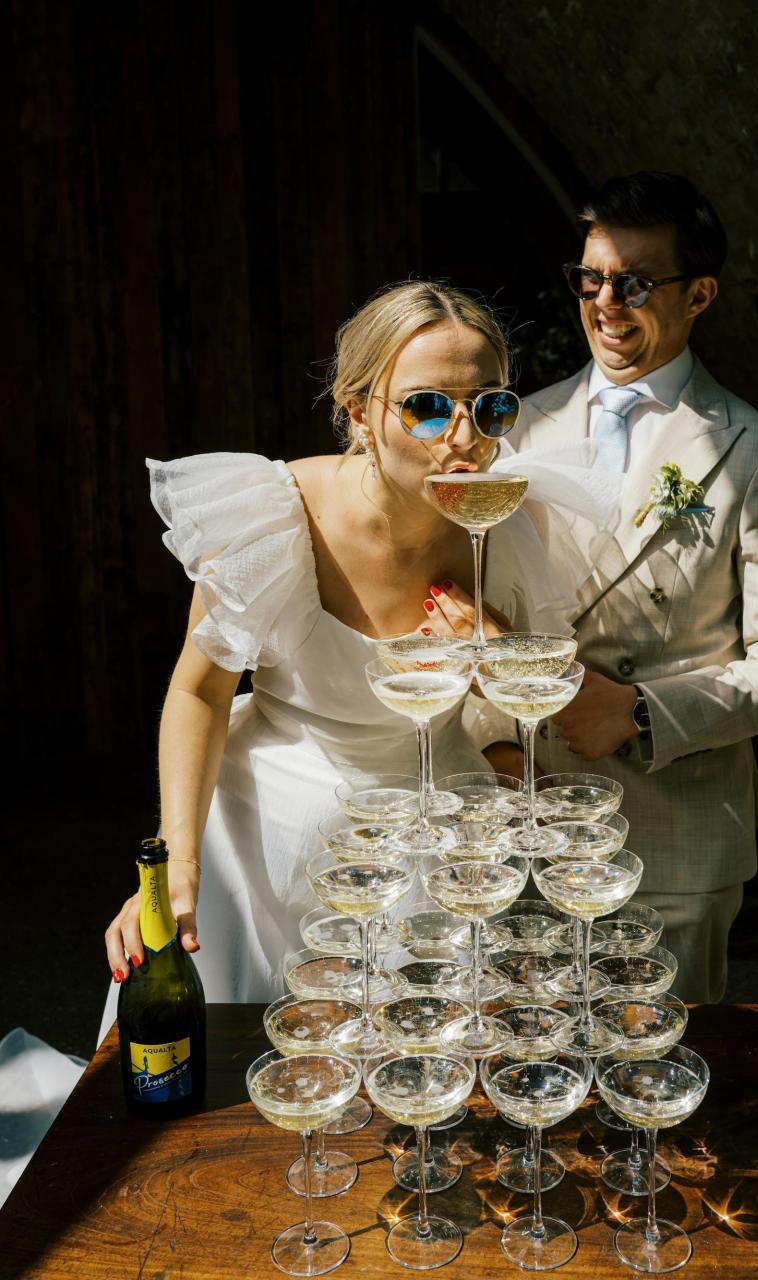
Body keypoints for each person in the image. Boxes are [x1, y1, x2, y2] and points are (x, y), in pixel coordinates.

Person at [101, 281, 589, 1030]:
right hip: (265, 831)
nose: (463, 439)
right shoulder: (273, 514)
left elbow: (516, 699)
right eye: (427, 406)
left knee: (423, 1084)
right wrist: (180, 868)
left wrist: (496, 659)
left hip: (438, 829)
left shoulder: (509, 525)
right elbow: (197, 693)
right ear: (359, 411)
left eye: (489, 406)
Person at [491, 171, 758, 1003]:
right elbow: (476, 605)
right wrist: (492, 739)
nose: (607, 302)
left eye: (635, 282)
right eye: (591, 278)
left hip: (672, 837)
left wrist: (641, 711)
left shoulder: (754, 450)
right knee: (529, 1078)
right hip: (521, 816)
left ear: (699, 293)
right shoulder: (515, 426)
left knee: (657, 1098)